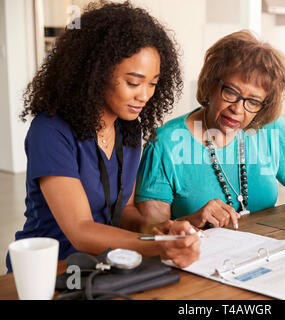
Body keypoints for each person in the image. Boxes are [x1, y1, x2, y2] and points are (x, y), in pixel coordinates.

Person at [5, 2, 200, 273]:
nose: (144, 95)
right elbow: (81, 231)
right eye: (133, 82)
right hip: (49, 270)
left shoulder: (129, 129)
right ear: (95, 74)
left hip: (104, 266)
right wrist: (158, 246)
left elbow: (126, 211)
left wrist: (161, 232)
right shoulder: (50, 132)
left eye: (153, 83)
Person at [134, 30, 285, 230]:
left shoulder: (269, 129)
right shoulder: (165, 144)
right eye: (231, 92)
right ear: (210, 84)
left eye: (253, 102)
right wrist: (192, 221)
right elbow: (150, 232)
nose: (237, 109)